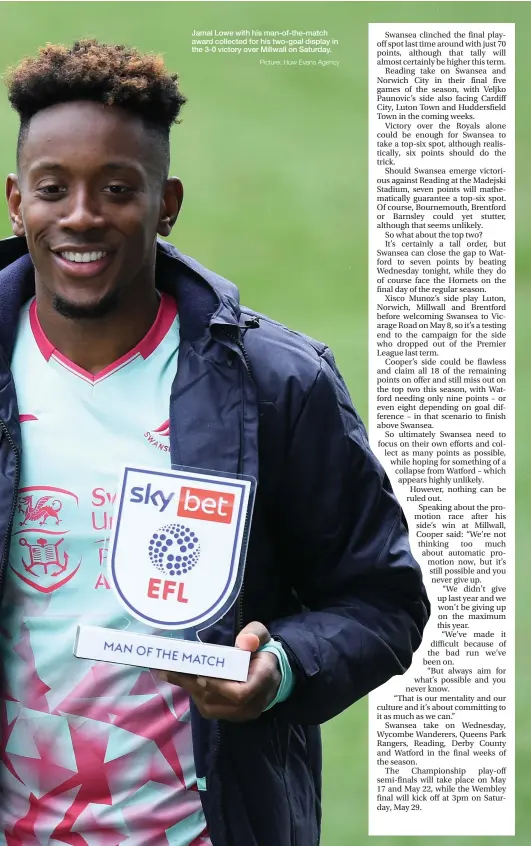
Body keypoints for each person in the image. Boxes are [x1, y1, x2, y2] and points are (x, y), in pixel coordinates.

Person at [0, 39, 429, 846]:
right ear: (18, 202)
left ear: (167, 204)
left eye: (118, 189)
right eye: (55, 189)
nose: (83, 215)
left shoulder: (276, 384)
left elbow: (381, 601)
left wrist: (278, 672)